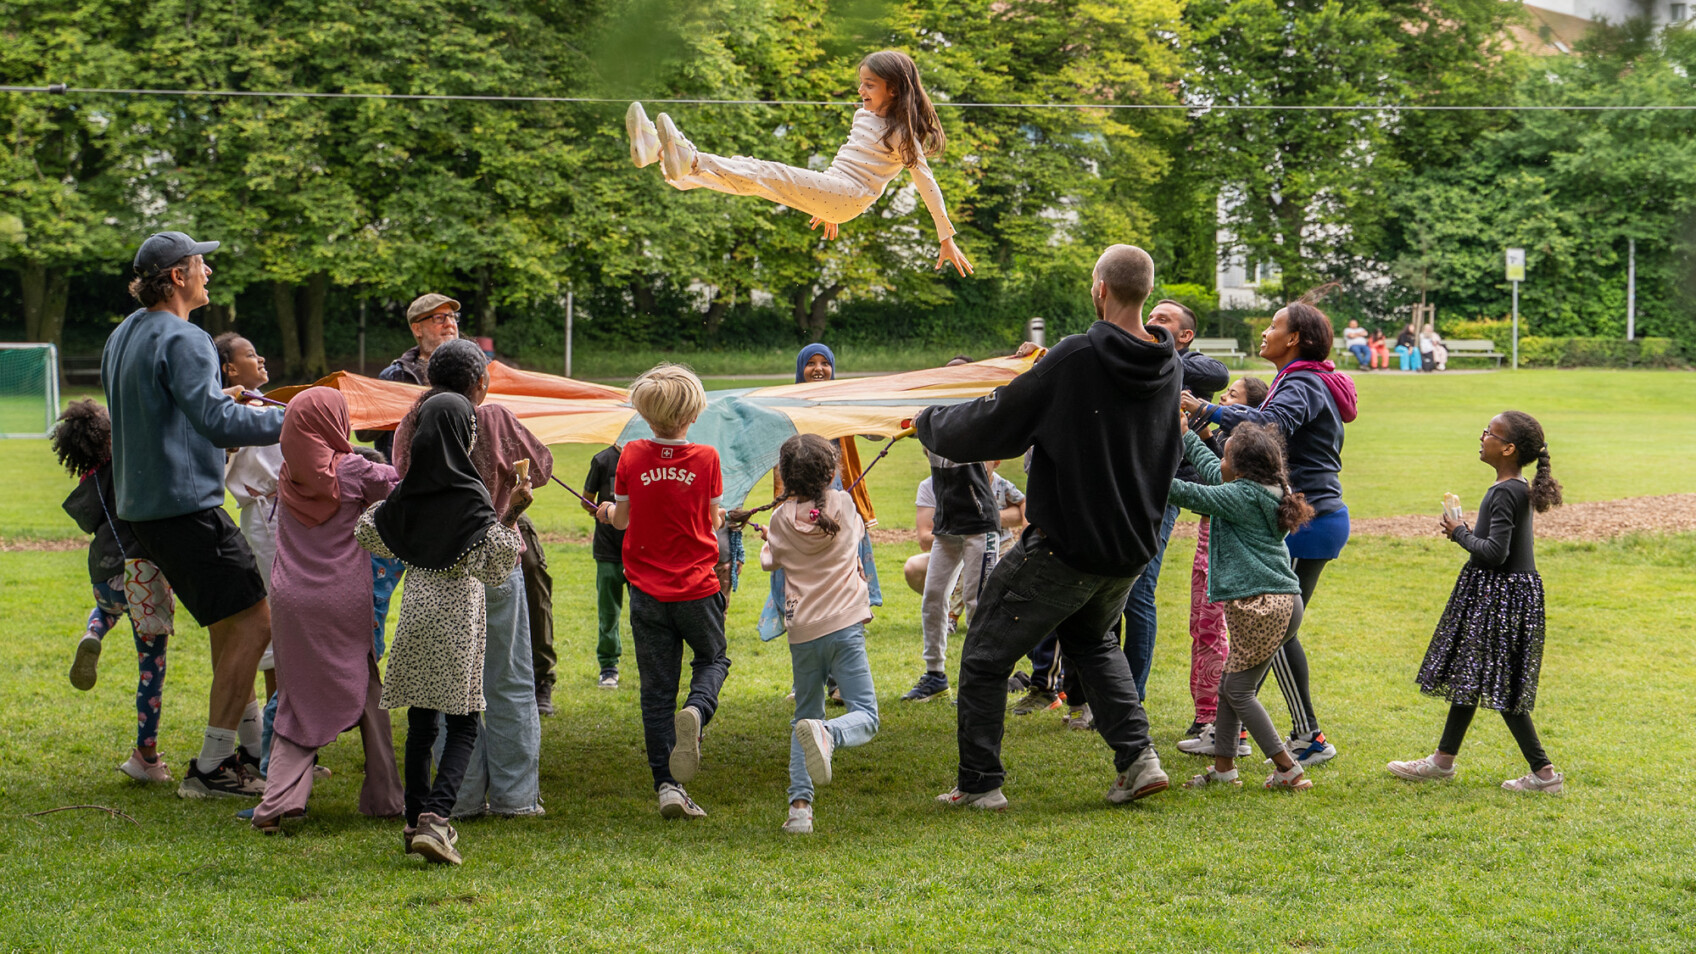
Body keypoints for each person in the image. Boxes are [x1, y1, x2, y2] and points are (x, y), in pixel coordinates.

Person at [917, 244, 1177, 810]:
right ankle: (1139, 760)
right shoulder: (1166, 363)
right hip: (1131, 548)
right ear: (1147, 294)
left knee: (985, 654)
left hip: (1067, 547)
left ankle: (980, 784)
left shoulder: (1077, 356)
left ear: (1099, 288)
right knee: (1092, 640)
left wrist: (929, 422)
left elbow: (996, 423)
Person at [102, 230, 280, 799]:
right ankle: (211, 767)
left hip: (142, 512)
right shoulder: (188, 338)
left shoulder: (122, 335)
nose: (209, 272)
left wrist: (227, 401)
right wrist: (295, 419)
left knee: (230, 626)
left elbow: (166, 412)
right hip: (187, 510)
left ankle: (251, 751)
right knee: (256, 623)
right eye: (202, 264)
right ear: (177, 276)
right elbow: (216, 425)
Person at [1182, 300, 1357, 767]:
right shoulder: (1298, 380)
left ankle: (1305, 737)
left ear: (1295, 338)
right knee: (1275, 630)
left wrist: (1206, 407)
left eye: (1275, 325)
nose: (1266, 331)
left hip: (1307, 520)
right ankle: (1234, 735)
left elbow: (1270, 424)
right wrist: (1205, 428)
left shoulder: (1302, 382)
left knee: (1275, 626)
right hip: (1304, 516)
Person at [356, 391, 527, 865]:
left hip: (416, 608)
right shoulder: (469, 492)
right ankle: (437, 818)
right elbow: (495, 567)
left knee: (420, 723)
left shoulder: (412, 488)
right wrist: (510, 512)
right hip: (459, 614)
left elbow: (367, 531)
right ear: (465, 434)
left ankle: (413, 821)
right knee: (465, 722)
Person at [627, 49, 974, 276]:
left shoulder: (901, 133)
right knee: (755, 179)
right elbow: (850, 164)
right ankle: (661, 155)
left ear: (894, 90)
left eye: (869, 85)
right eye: (860, 84)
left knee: (766, 173)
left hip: (849, 198)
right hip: (835, 192)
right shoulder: (862, 116)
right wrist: (823, 202)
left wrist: (946, 237)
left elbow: (927, 184)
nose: (861, 91)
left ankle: (691, 157)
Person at [393, 339, 552, 819]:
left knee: (444, 687)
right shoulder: (495, 417)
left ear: (428, 380)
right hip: (496, 558)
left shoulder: (413, 420)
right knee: (509, 680)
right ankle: (516, 798)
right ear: (481, 382)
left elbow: (399, 478)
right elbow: (541, 466)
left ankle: (459, 800)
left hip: (435, 569)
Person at [249, 388, 404, 832]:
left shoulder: (286, 472)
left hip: (290, 601)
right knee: (369, 688)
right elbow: (401, 482)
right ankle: (386, 795)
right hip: (343, 600)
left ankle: (279, 800)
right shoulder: (353, 471)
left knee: (297, 697)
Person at [1388, 411, 1565, 793]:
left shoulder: (1505, 491)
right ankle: (1442, 760)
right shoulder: (1515, 486)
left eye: (1490, 432)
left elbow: (1494, 553)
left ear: (1508, 448)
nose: (1482, 436)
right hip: (1507, 596)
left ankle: (1544, 773)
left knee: (1499, 683)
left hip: (1499, 597)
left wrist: (1459, 532)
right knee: (1472, 674)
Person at [592, 364, 730, 820]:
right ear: (692, 413)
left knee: (655, 693)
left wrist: (607, 509)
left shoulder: (630, 455)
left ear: (645, 414)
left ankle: (667, 787)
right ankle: (696, 709)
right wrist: (721, 516)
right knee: (712, 659)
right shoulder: (708, 458)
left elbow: (623, 519)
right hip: (697, 588)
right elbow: (713, 520)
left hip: (647, 594)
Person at [732, 434, 879, 834]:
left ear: (784, 477)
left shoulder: (779, 520)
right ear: (832, 472)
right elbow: (853, 538)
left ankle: (800, 811)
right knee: (865, 717)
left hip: (803, 632)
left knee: (804, 717)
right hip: (845, 626)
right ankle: (829, 734)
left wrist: (769, 542)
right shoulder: (846, 505)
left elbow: (770, 561)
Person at [1169, 422, 1317, 792]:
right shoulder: (1265, 488)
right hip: (1281, 603)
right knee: (1231, 685)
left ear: (1240, 467)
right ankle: (1223, 769)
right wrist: (1185, 434)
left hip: (1262, 606)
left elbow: (1185, 493)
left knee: (1238, 691)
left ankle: (1288, 768)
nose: (1220, 456)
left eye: (1226, 453)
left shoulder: (1241, 497)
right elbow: (1209, 468)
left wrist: (1139, 471)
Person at [1106, 300, 1229, 710]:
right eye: (1150, 317)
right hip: (1117, 487)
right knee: (1106, 588)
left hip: (1160, 493)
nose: (1152, 323)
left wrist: (1154, 348)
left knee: (1139, 591)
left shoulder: (1194, 366)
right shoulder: (1128, 356)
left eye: (1164, 320)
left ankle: (1131, 697)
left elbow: (1220, 373)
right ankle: (1100, 690)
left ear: (1185, 335)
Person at [53, 399, 177, 783]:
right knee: (150, 668)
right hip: (142, 572)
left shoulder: (87, 476)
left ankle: (94, 632)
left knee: (107, 608)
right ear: (108, 436)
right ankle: (146, 755)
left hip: (105, 571)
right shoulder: (130, 462)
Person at [1175, 374, 1268, 749]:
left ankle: (1220, 725)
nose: (1223, 398)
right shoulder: (1233, 451)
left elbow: (1209, 484)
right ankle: (1204, 717)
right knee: (1202, 628)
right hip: (1208, 547)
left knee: (1215, 635)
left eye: (1233, 395)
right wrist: (1199, 437)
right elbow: (1215, 470)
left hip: (1224, 557)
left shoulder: (1249, 474)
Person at [214, 333, 286, 772]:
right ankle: (276, 745)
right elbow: (220, 465)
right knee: (277, 627)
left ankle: (275, 740)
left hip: (287, 517)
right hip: (264, 519)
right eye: (247, 354)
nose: (259, 356)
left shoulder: (266, 404)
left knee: (288, 625)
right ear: (228, 369)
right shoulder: (230, 414)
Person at [903, 443, 998, 702]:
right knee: (933, 596)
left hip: (981, 525)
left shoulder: (968, 424)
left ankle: (979, 682)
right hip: (947, 527)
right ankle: (935, 676)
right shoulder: (934, 427)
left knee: (976, 601)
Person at [583, 443, 627, 689]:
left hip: (639, 549)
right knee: (608, 612)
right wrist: (602, 512)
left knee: (646, 612)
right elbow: (586, 500)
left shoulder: (643, 457)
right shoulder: (602, 460)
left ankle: (649, 663)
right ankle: (608, 667)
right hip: (608, 549)